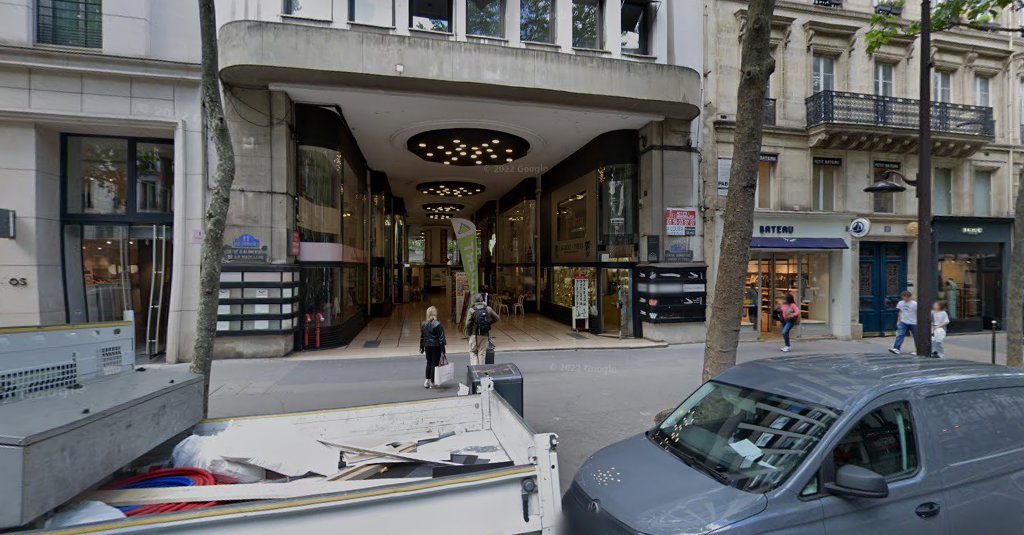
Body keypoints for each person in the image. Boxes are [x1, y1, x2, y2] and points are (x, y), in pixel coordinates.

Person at [465, 293, 500, 366]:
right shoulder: (488, 309)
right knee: (482, 353)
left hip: (474, 335)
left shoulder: (472, 310)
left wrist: (468, 334)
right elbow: (497, 318)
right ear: (482, 300)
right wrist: (488, 323)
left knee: (473, 352)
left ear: (474, 301)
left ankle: (474, 372)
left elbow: (467, 324)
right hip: (485, 335)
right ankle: (481, 371)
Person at [419, 306, 446, 388]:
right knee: (434, 363)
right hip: (436, 346)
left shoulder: (423, 324)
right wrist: (443, 350)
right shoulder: (438, 324)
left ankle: (427, 380)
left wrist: (421, 346)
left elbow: (422, 336)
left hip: (427, 346)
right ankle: (432, 382)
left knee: (429, 362)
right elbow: (441, 338)